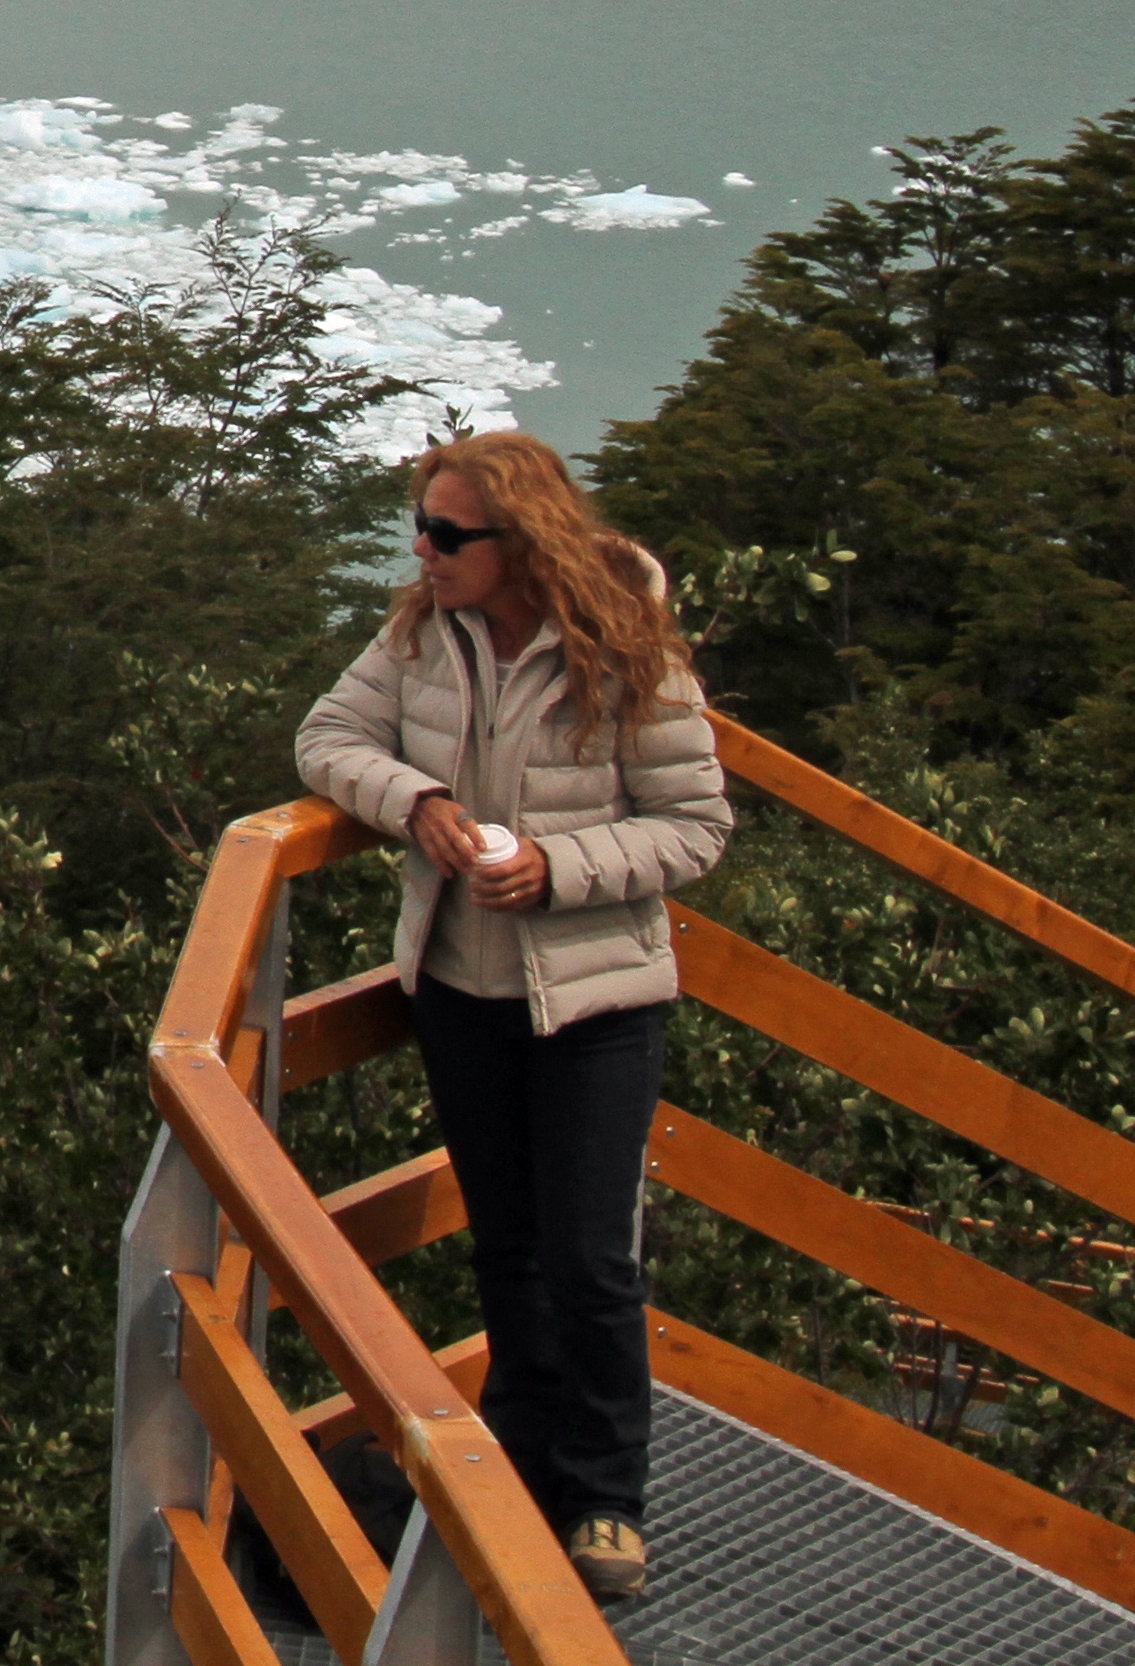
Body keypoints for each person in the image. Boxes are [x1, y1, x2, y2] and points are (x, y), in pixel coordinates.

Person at [293, 429, 730, 1606]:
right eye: (420, 529)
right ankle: (527, 1474)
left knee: (591, 1256)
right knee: (511, 1249)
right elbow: (327, 740)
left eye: (447, 535)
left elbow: (695, 827)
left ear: (519, 540)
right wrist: (418, 799)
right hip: (461, 989)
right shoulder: (419, 636)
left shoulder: (626, 652)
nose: (424, 553)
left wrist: (556, 868)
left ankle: (604, 1503)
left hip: (594, 998)